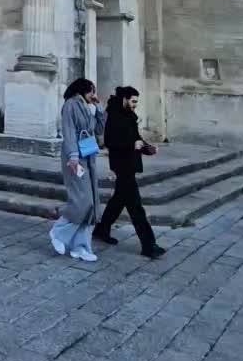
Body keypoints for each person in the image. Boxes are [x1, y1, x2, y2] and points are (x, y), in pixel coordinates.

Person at [94, 85, 165, 259]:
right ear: (124, 99)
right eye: (133, 101)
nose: (135, 105)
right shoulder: (113, 115)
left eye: (136, 102)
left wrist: (148, 149)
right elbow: (110, 141)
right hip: (122, 165)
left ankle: (102, 229)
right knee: (135, 207)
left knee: (118, 200)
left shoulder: (129, 115)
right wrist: (131, 145)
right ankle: (149, 245)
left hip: (130, 164)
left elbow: (135, 138)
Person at [49, 78, 106, 263]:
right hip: (75, 158)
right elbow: (69, 131)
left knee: (91, 204)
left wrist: (99, 110)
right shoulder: (71, 105)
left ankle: (81, 246)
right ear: (82, 90)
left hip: (88, 156)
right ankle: (58, 232)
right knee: (83, 201)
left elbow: (99, 129)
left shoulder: (88, 107)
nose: (94, 95)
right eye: (91, 91)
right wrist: (73, 156)